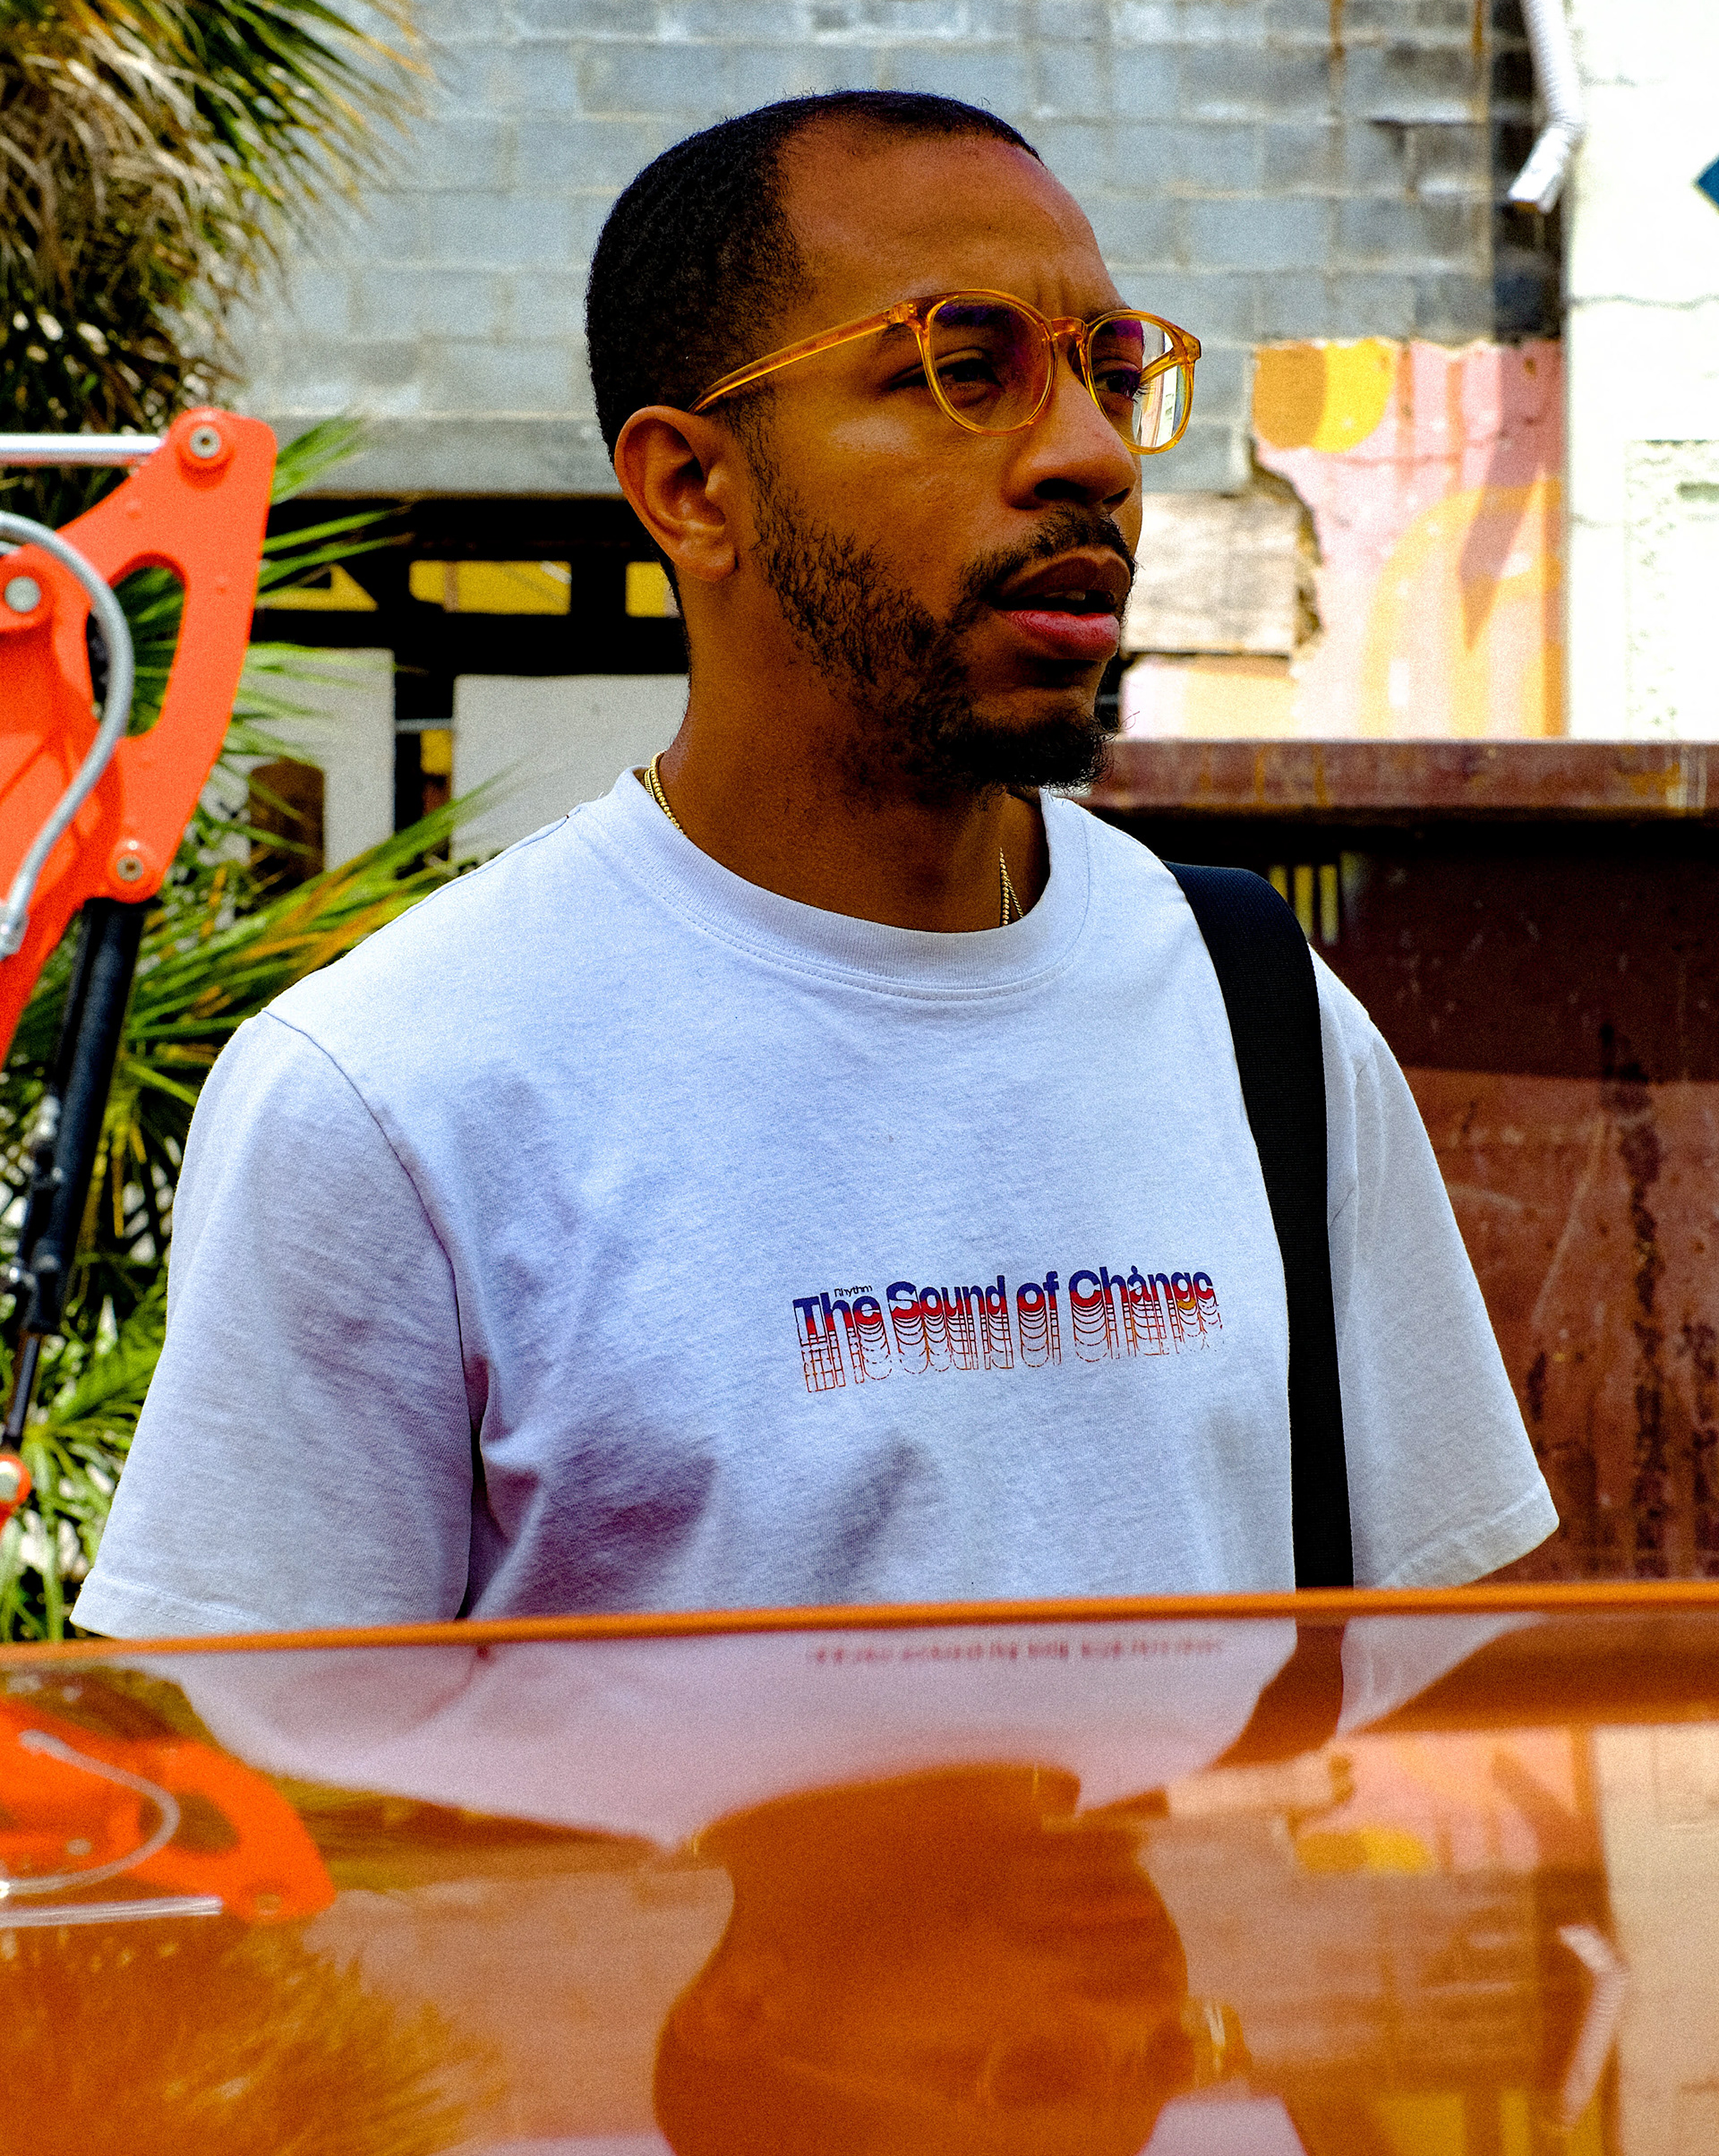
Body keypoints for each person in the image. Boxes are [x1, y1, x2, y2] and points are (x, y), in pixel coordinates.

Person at [76, 90, 1553, 1636]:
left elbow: (1458, 1686)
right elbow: (241, 1769)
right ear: (691, 488)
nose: (1093, 456)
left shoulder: (1253, 1008)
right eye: (964, 371)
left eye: (1113, 378)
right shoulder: (398, 1095)